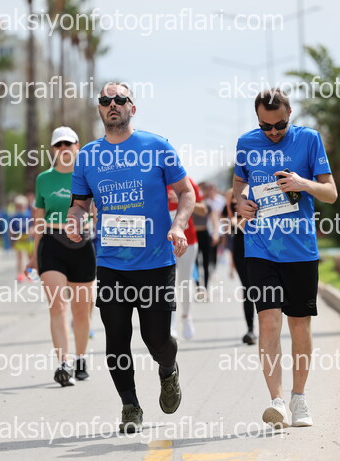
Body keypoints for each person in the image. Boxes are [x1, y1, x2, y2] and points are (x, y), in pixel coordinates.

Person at [67, 82, 195, 433]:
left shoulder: (157, 146)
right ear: (99, 108)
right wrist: (74, 221)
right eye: (105, 100)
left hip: (156, 262)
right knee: (116, 339)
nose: (113, 104)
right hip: (111, 263)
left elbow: (186, 192)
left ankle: (168, 369)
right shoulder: (88, 156)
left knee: (157, 340)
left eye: (120, 99)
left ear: (132, 108)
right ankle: (130, 406)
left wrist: (178, 225)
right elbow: (79, 205)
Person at [233, 88, 337, 428]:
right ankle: (276, 401)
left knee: (299, 323)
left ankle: (299, 397)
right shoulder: (246, 143)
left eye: (279, 125)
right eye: (266, 126)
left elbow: (331, 193)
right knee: (268, 321)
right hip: (259, 247)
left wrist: (302, 183)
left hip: (300, 249)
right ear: (258, 120)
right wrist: (241, 202)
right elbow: (239, 182)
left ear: (290, 113)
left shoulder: (309, 140)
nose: (273, 132)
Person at [25, 126, 96, 386]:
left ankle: (80, 359)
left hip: (82, 244)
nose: (64, 149)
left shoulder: (88, 175)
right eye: (59, 145)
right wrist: (34, 256)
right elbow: (39, 221)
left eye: (68, 144)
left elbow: (97, 213)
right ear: (53, 150)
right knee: (57, 306)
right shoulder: (44, 179)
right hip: (52, 244)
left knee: (81, 310)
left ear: (77, 147)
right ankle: (63, 364)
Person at [168, 178, 207, 339]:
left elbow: (203, 210)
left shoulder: (186, 181)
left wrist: (182, 201)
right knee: (168, 283)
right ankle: (171, 325)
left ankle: (186, 317)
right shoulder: (154, 180)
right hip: (163, 242)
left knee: (184, 282)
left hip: (188, 240)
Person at [225, 187, 256, 345]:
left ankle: (269, 326)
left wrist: (240, 222)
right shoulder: (230, 193)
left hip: (259, 243)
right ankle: (250, 329)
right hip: (240, 247)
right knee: (248, 289)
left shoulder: (257, 188)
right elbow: (230, 221)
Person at [9, 195, 34, 281]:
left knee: (30, 258)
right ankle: (20, 274)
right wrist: (12, 240)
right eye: (18, 206)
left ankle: (30, 274)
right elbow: (11, 229)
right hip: (19, 239)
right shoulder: (14, 217)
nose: (21, 207)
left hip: (28, 239)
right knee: (20, 258)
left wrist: (31, 231)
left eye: (22, 205)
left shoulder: (29, 215)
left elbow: (33, 226)